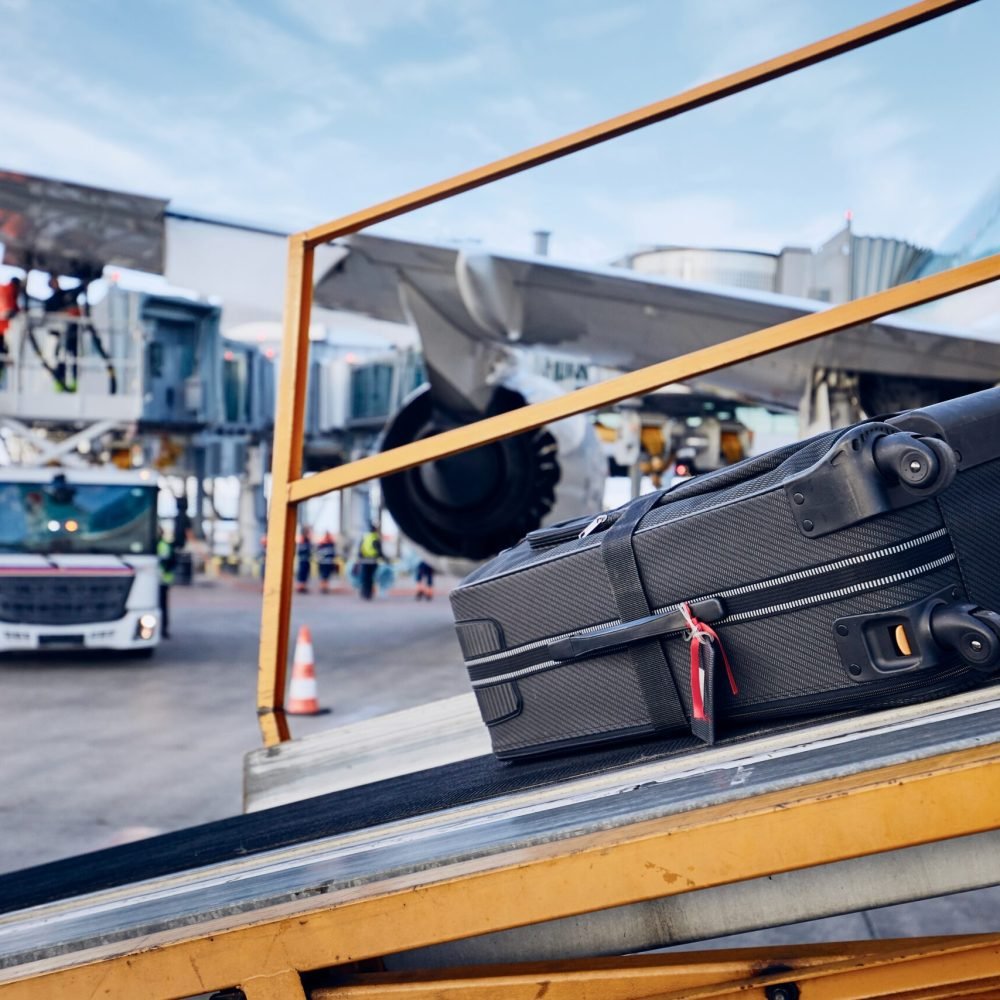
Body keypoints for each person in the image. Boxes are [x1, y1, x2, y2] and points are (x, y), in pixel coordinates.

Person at [0, 276, 22, 387]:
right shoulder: (6, 290)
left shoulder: (11, 293)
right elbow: (8, 311)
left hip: (2, 332)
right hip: (1, 331)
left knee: (4, 354)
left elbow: (16, 308)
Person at [157, 528, 176, 639]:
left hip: (162, 581)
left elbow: (169, 562)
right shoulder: (162, 545)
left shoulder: (163, 545)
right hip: (159, 580)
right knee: (161, 606)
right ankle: (162, 629)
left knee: (162, 606)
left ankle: (163, 629)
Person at [357, 523, 383, 601]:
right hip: (372, 561)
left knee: (365, 577)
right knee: (370, 578)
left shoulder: (365, 537)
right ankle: (369, 594)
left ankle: (363, 592)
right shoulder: (375, 538)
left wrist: (360, 559)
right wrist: (383, 558)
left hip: (364, 561)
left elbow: (360, 550)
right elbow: (379, 551)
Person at [295, 526, 313, 594]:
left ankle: (303, 587)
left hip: (307, 561)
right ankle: (300, 587)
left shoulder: (307, 540)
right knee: (301, 574)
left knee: (305, 574)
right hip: (302, 561)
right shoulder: (302, 540)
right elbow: (300, 550)